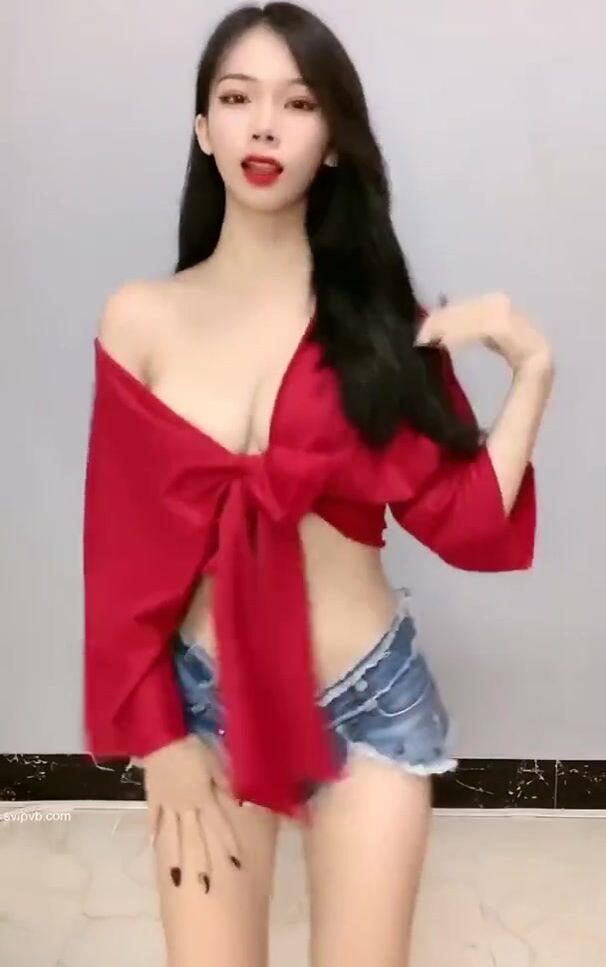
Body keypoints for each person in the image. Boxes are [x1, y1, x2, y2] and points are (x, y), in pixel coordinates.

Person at [82, 3, 555, 965]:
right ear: (202, 128)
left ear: (333, 141)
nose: (264, 126)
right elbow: (120, 556)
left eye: (298, 104)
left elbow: (469, 522)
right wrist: (160, 739)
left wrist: (533, 372)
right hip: (206, 704)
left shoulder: (382, 328)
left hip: (372, 700)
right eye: (237, 98)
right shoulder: (140, 319)